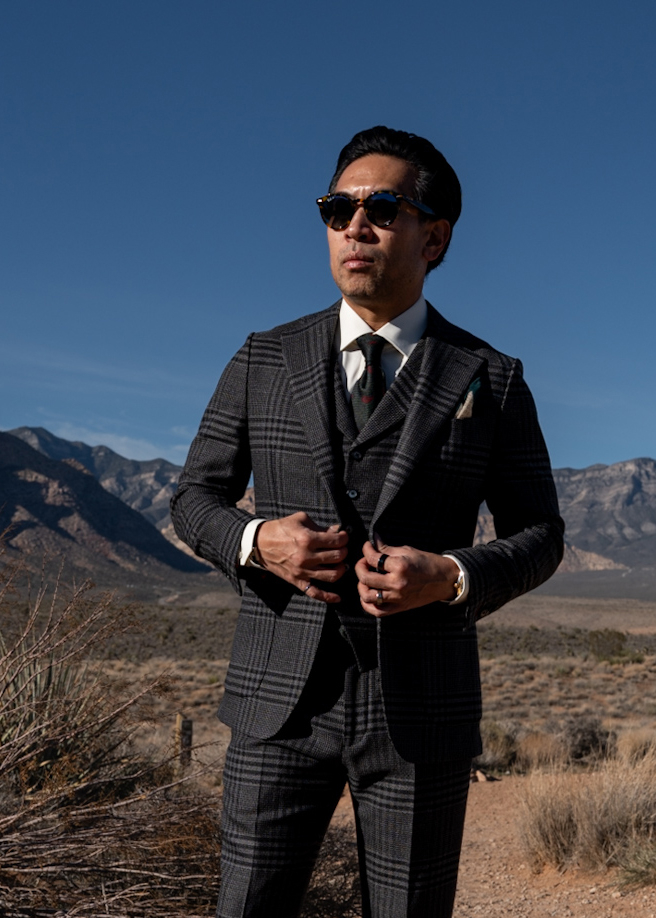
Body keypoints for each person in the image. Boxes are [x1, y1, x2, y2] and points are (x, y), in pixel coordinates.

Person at [171, 126, 564, 918]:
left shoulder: (491, 377)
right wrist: (256, 542)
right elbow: (192, 500)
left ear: (435, 236)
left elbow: (541, 533)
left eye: (382, 207)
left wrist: (451, 577)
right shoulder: (262, 358)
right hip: (277, 704)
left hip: (421, 710)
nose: (354, 226)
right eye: (336, 208)